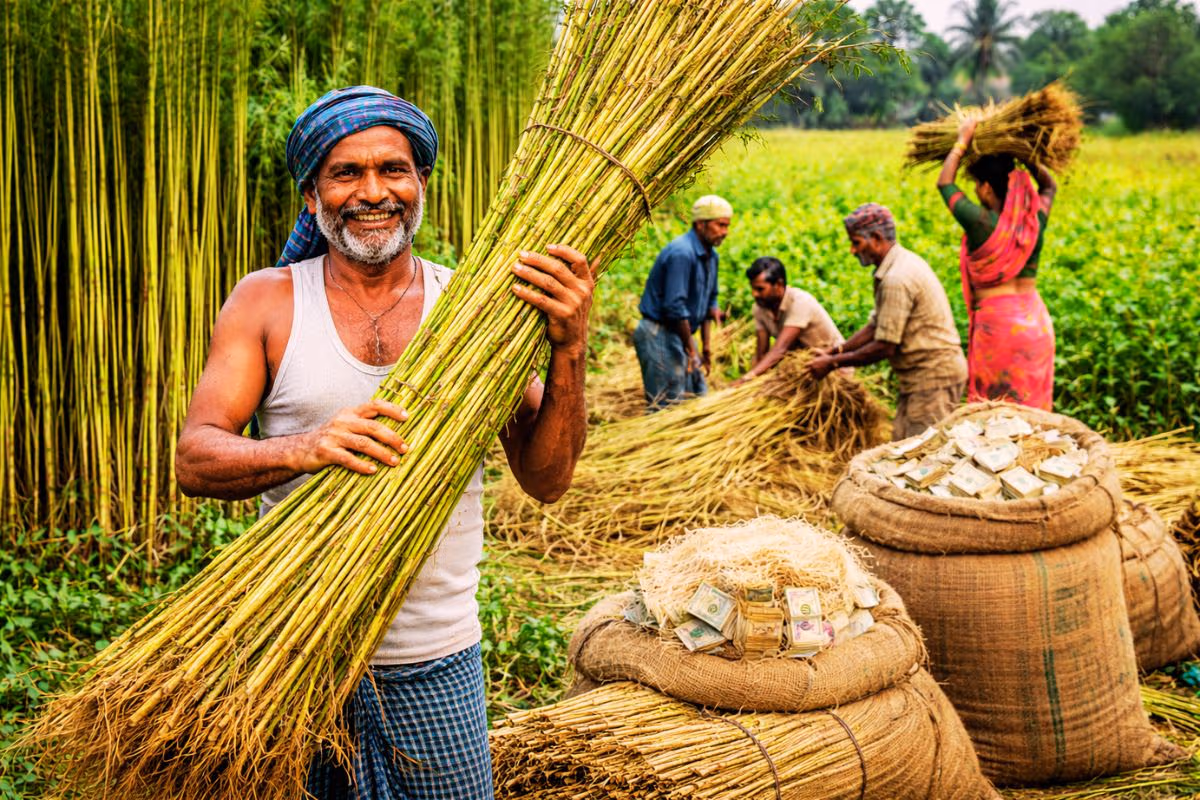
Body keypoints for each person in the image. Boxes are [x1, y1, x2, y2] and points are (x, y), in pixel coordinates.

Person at [174, 86, 595, 800]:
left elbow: (547, 478)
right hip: (296, 643)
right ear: (313, 197)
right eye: (346, 173)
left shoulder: (472, 313)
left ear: (421, 184)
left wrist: (570, 348)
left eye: (393, 170)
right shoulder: (268, 300)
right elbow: (196, 456)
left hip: (435, 652)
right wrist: (304, 447)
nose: (374, 192)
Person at [807, 203, 967, 440]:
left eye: (856, 242)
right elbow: (875, 327)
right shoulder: (899, 264)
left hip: (932, 379)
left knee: (919, 454)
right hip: (921, 379)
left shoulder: (896, 278)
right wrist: (835, 350)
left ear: (876, 238)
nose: (852, 250)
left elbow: (884, 345)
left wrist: (832, 363)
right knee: (902, 444)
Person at [937, 119, 1058, 409]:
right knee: (1031, 414)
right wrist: (1026, 154)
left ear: (988, 188)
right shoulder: (1033, 224)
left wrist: (962, 140)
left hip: (1000, 331)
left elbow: (945, 183)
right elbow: (1049, 186)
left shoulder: (981, 223)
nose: (976, 191)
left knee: (995, 414)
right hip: (1036, 326)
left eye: (978, 185)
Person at [633, 195, 731, 410]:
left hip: (681, 333)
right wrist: (691, 351)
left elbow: (709, 302)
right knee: (667, 406)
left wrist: (705, 349)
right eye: (720, 225)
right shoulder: (682, 253)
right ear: (700, 224)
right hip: (659, 333)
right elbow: (674, 308)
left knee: (697, 396)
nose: (725, 232)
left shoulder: (711, 256)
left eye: (727, 226)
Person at [734, 256, 843, 385]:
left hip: (833, 370)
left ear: (779, 284)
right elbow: (761, 353)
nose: (754, 294)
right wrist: (748, 384)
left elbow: (780, 349)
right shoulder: (760, 308)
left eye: (760, 289)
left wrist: (747, 378)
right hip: (804, 371)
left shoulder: (800, 302)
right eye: (753, 288)